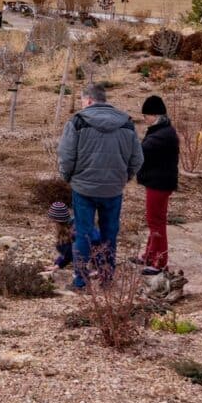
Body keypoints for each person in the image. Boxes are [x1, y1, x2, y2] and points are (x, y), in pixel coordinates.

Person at [56, 83, 144, 289]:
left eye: (81, 101)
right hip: (113, 190)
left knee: (83, 233)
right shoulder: (127, 124)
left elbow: (66, 156)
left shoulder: (77, 122)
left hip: (83, 189)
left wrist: (68, 177)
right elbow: (137, 159)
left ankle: (80, 281)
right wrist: (123, 178)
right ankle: (106, 278)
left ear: (88, 100)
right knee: (110, 233)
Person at [135, 94, 179, 274]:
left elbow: (141, 151)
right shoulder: (162, 130)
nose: (144, 119)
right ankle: (149, 255)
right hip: (157, 181)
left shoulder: (162, 134)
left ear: (155, 115)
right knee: (153, 220)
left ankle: (159, 263)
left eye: (146, 116)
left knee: (156, 222)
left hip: (159, 183)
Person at [48, 201, 75, 270]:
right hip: (100, 253)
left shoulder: (74, 231)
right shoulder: (73, 224)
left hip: (98, 257)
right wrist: (57, 265)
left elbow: (68, 253)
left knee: (61, 246)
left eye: (53, 222)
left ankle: (92, 269)